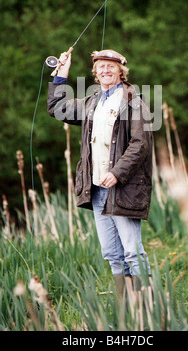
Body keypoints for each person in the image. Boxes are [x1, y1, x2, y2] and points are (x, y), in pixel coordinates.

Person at [47, 49, 153, 299]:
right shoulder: (92, 101)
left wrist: (117, 173)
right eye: (100, 67)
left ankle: (147, 305)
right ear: (95, 73)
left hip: (124, 187)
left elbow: (140, 145)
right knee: (112, 253)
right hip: (96, 189)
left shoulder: (135, 102)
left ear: (121, 71)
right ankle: (126, 306)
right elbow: (57, 108)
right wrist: (62, 72)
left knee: (132, 251)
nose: (105, 70)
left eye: (111, 66)